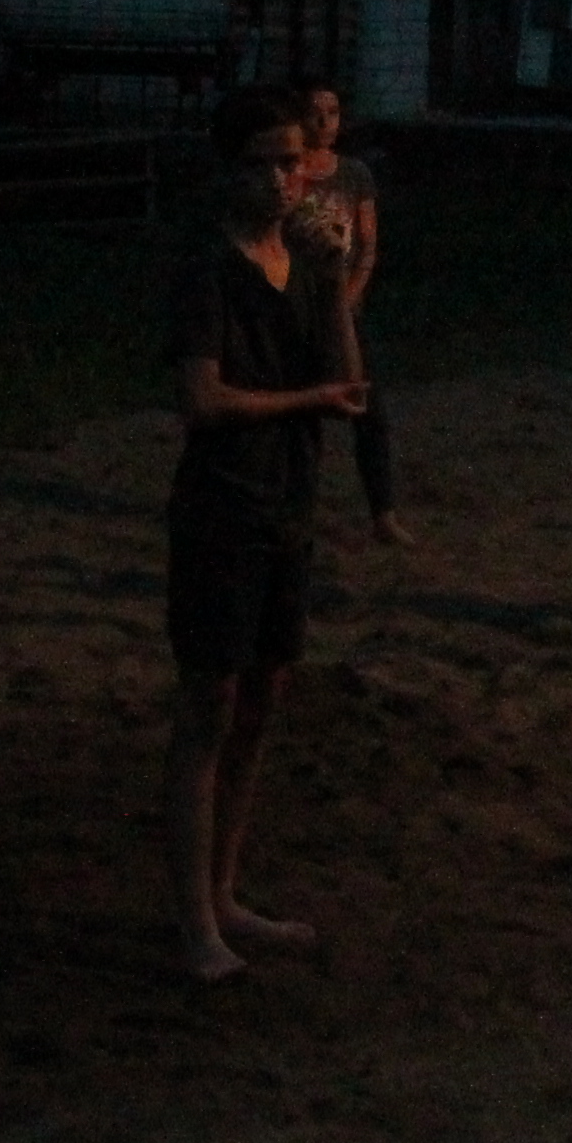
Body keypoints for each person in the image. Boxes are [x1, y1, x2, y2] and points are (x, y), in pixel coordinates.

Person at [165, 87, 374, 979]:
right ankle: (194, 923)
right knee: (208, 712)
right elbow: (203, 400)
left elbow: (350, 386)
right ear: (231, 171)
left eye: (295, 163)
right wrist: (307, 399)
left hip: (287, 507)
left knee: (259, 706)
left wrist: (336, 286)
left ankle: (224, 895)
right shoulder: (210, 271)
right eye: (270, 164)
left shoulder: (304, 265)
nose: (289, 179)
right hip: (223, 511)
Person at [285, 73, 412, 546]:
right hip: (297, 306)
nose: (325, 122)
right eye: (315, 113)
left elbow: (368, 246)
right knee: (302, 416)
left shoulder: (354, 174)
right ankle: (297, 511)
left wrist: (351, 295)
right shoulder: (289, 171)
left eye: (333, 113)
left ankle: (383, 513)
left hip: (344, 309)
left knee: (369, 410)